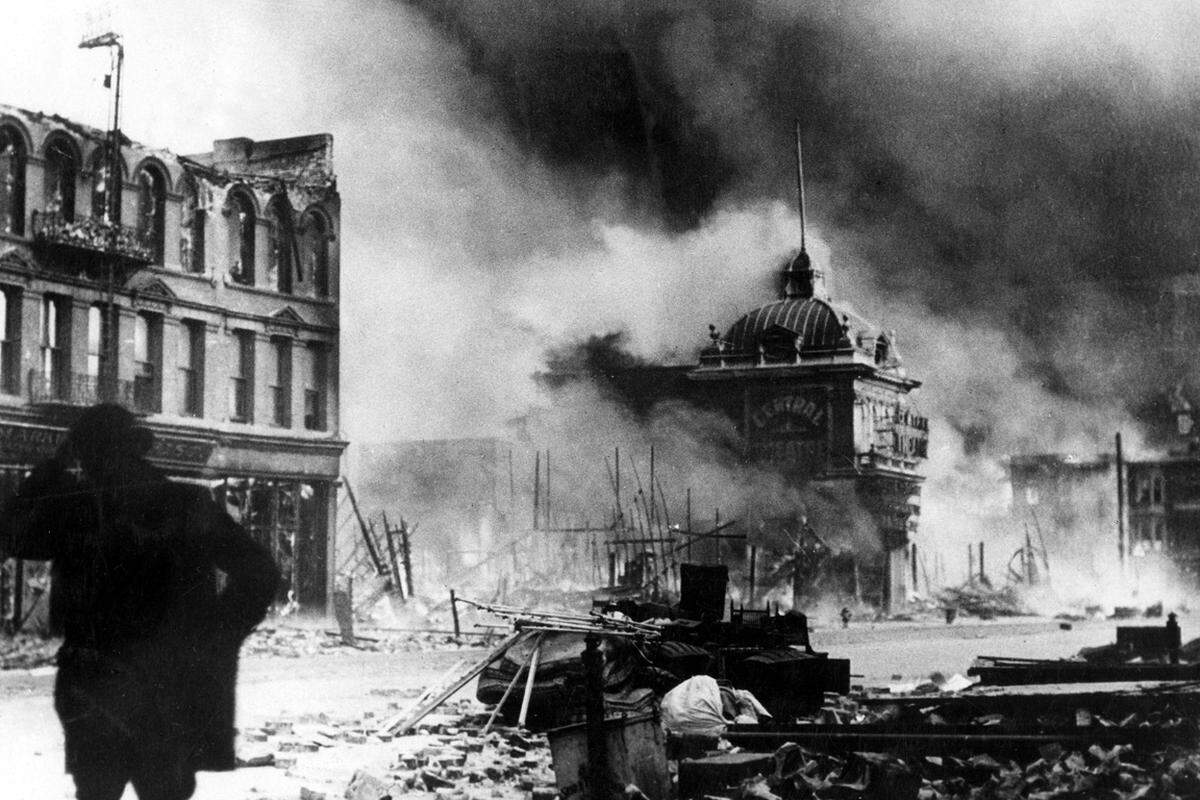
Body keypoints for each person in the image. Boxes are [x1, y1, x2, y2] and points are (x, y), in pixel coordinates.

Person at [0, 404, 279, 800]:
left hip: (96, 690)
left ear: (90, 453)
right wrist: (218, 634)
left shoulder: (79, 513)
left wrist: (51, 468)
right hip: (168, 690)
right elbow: (260, 571)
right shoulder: (186, 504)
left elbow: (8, 533)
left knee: (97, 792)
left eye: (87, 453)